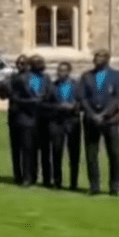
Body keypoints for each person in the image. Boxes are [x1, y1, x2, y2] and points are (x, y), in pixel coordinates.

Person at [79, 49, 119, 196]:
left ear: (107, 59)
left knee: (114, 154)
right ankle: (94, 185)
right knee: (91, 154)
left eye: (99, 57)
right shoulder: (86, 76)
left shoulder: (117, 76)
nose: (95, 59)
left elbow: (118, 97)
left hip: (110, 120)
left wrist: (104, 114)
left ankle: (115, 186)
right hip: (91, 120)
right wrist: (92, 114)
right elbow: (82, 97)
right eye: (95, 56)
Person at [10, 54, 51, 187]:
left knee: (40, 150)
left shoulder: (46, 78)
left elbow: (49, 95)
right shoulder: (21, 79)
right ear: (31, 64)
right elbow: (16, 99)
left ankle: (39, 177)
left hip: (42, 119)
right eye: (38, 62)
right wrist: (32, 101)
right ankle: (26, 177)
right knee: (27, 149)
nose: (41, 64)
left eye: (42, 62)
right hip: (25, 118)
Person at [46, 61, 81, 191]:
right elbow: (45, 104)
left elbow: (83, 102)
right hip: (56, 122)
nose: (60, 73)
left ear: (69, 71)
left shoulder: (77, 85)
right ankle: (57, 182)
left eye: (64, 70)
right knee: (56, 152)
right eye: (59, 70)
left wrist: (74, 107)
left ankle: (73, 183)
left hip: (73, 121)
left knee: (74, 154)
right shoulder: (52, 86)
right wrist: (58, 106)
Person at [5, 55, 29, 185]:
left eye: (23, 63)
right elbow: (7, 93)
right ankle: (17, 175)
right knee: (15, 148)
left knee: (26, 148)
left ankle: (27, 176)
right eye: (18, 63)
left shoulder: (31, 78)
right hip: (14, 116)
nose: (20, 65)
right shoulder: (13, 77)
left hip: (26, 116)